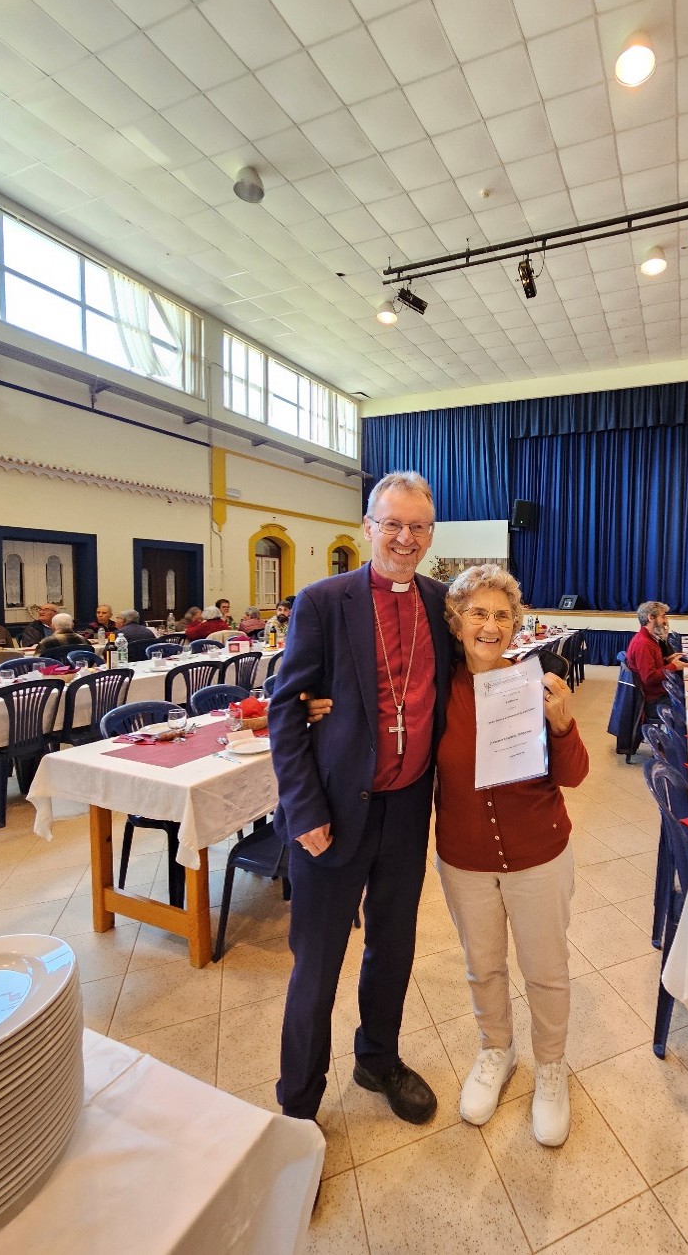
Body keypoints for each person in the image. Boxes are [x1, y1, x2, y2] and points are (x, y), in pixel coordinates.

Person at [267, 471, 453, 1127]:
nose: (405, 538)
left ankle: (376, 1057)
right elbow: (285, 710)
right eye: (393, 524)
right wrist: (304, 811)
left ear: (431, 533)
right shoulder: (323, 600)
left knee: (393, 944)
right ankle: (297, 1107)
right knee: (316, 967)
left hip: (407, 808)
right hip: (335, 812)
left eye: (418, 526)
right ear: (369, 527)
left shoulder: (440, 602)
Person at [436, 565, 588, 1147]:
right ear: (456, 620)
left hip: (539, 853)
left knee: (546, 970)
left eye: (502, 615)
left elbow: (574, 776)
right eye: (478, 612)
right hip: (465, 857)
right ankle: (494, 1050)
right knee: (484, 965)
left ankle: (551, 1067)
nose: (490, 625)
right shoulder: (437, 691)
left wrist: (564, 725)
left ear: (515, 625)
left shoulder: (535, 684)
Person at [625, 600, 688, 720]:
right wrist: (673, 666)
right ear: (650, 618)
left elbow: (652, 667)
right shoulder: (644, 644)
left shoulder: (649, 639)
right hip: (653, 703)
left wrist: (667, 661)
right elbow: (649, 678)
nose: (666, 620)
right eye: (663, 616)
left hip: (658, 695)